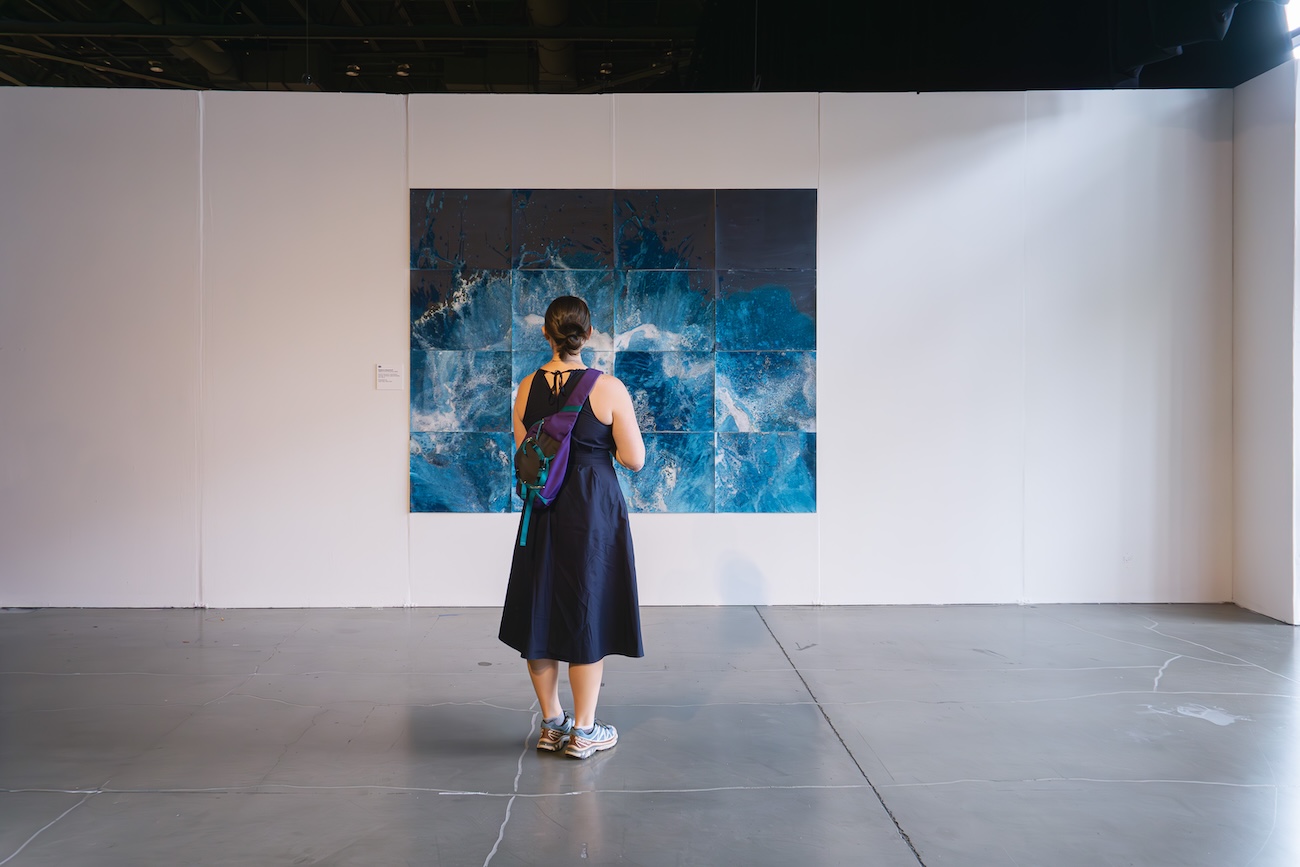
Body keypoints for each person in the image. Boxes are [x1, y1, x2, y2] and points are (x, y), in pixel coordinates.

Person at [499, 295, 646, 759]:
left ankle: (551, 724)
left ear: (546, 333)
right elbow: (634, 459)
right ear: (588, 334)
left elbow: (527, 456)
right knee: (587, 611)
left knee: (540, 609)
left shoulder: (526, 387)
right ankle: (584, 731)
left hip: (542, 509)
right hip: (592, 511)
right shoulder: (608, 388)